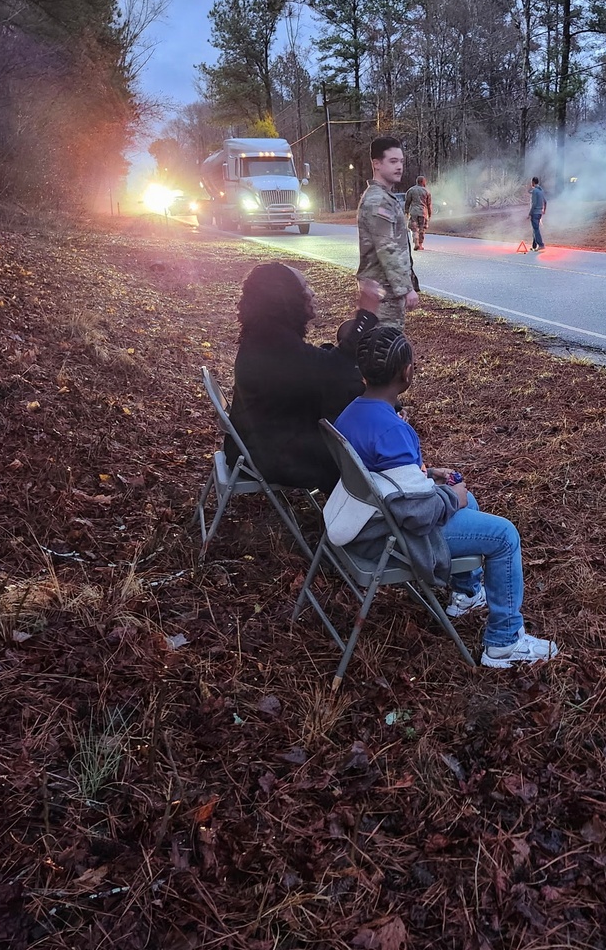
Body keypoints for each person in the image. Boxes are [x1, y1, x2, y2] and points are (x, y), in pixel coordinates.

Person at [327, 325, 560, 670]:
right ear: (407, 373)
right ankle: (504, 643)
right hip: (390, 536)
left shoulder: (353, 411)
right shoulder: (393, 429)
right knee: (505, 535)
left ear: (362, 370)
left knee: (473, 501)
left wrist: (426, 474)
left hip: (367, 518)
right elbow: (416, 514)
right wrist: (451, 497)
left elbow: (385, 474)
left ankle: (467, 595)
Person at [225, 261, 380, 493]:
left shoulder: (266, 335)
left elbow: (318, 368)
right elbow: (334, 370)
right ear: (284, 297)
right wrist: (365, 316)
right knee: (357, 451)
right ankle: (370, 511)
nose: (312, 292)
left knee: (346, 413)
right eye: (304, 287)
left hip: (260, 439)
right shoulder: (271, 340)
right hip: (269, 454)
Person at [357, 136, 420, 328]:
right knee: (383, 348)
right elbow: (387, 248)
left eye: (401, 161)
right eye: (393, 161)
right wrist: (406, 289)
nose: (399, 167)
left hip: (385, 291)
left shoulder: (385, 197)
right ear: (376, 164)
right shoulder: (378, 201)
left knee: (385, 348)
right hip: (381, 293)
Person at [405, 175, 432, 250]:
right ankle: (420, 244)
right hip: (423, 212)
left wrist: (406, 211)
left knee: (414, 228)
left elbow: (407, 202)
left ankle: (416, 242)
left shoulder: (411, 190)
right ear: (423, 182)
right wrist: (430, 214)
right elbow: (429, 204)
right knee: (422, 228)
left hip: (413, 211)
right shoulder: (426, 191)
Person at [528, 177, 547, 250]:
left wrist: (530, 213)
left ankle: (541, 244)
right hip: (540, 213)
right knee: (535, 228)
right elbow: (545, 201)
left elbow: (534, 203)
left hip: (535, 213)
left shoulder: (535, 191)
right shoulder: (541, 190)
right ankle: (534, 245)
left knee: (536, 229)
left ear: (533, 182)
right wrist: (544, 210)